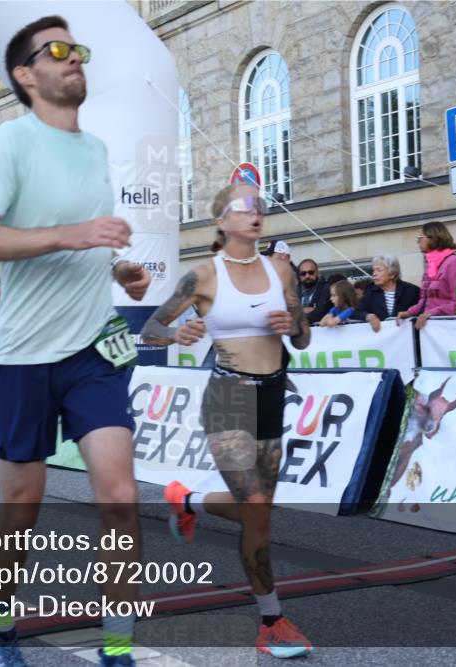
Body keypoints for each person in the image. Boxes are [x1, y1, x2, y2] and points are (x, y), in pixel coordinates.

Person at [0, 15, 151, 667]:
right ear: (23, 73)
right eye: (58, 51)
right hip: (24, 357)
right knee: (22, 505)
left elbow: (88, 245)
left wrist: (117, 266)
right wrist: (74, 233)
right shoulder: (8, 143)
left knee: (121, 497)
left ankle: (116, 646)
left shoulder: (95, 150)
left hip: (94, 352)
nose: (74, 60)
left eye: (77, 50)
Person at [141, 183, 312, 659]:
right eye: (242, 208)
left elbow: (303, 341)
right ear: (222, 221)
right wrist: (178, 331)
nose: (254, 213)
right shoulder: (203, 276)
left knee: (260, 511)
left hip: (273, 395)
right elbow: (151, 330)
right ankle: (271, 620)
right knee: (256, 509)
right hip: (229, 397)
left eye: (259, 207)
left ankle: (187, 499)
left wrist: (292, 326)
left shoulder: (282, 270)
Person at [397, 221, 456, 329]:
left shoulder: (454, 263)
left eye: (421, 236)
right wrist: (409, 312)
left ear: (434, 237)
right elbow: (424, 300)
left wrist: (432, 313)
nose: (418, 241)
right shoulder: (430, 264)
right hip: (431, 328)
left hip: (449, 327)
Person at [354, 253, 420, 332]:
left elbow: (424, 310)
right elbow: (356, 311)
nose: (374, 274)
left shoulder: (411, 290)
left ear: (392, 274)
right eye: (374, 270)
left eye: (379, 270)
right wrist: (368, 316)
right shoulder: (370, 291)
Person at [296, 259, 331, 325]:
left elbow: (318, 315)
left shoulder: (327, 289)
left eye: (311, 272)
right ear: (299, 275)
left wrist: (297, 313)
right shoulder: (294, 291)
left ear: (317, 272)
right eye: (303, 273)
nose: (307, 276)